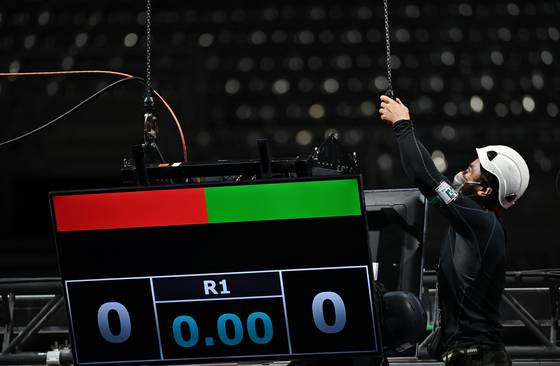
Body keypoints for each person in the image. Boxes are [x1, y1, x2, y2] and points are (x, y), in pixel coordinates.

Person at [378, 95, 530, 366]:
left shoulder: (482, 224)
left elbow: (427, 177)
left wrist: (402, 124)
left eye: (471, 170)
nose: (464, 171)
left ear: (485, 190)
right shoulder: (476, 224)